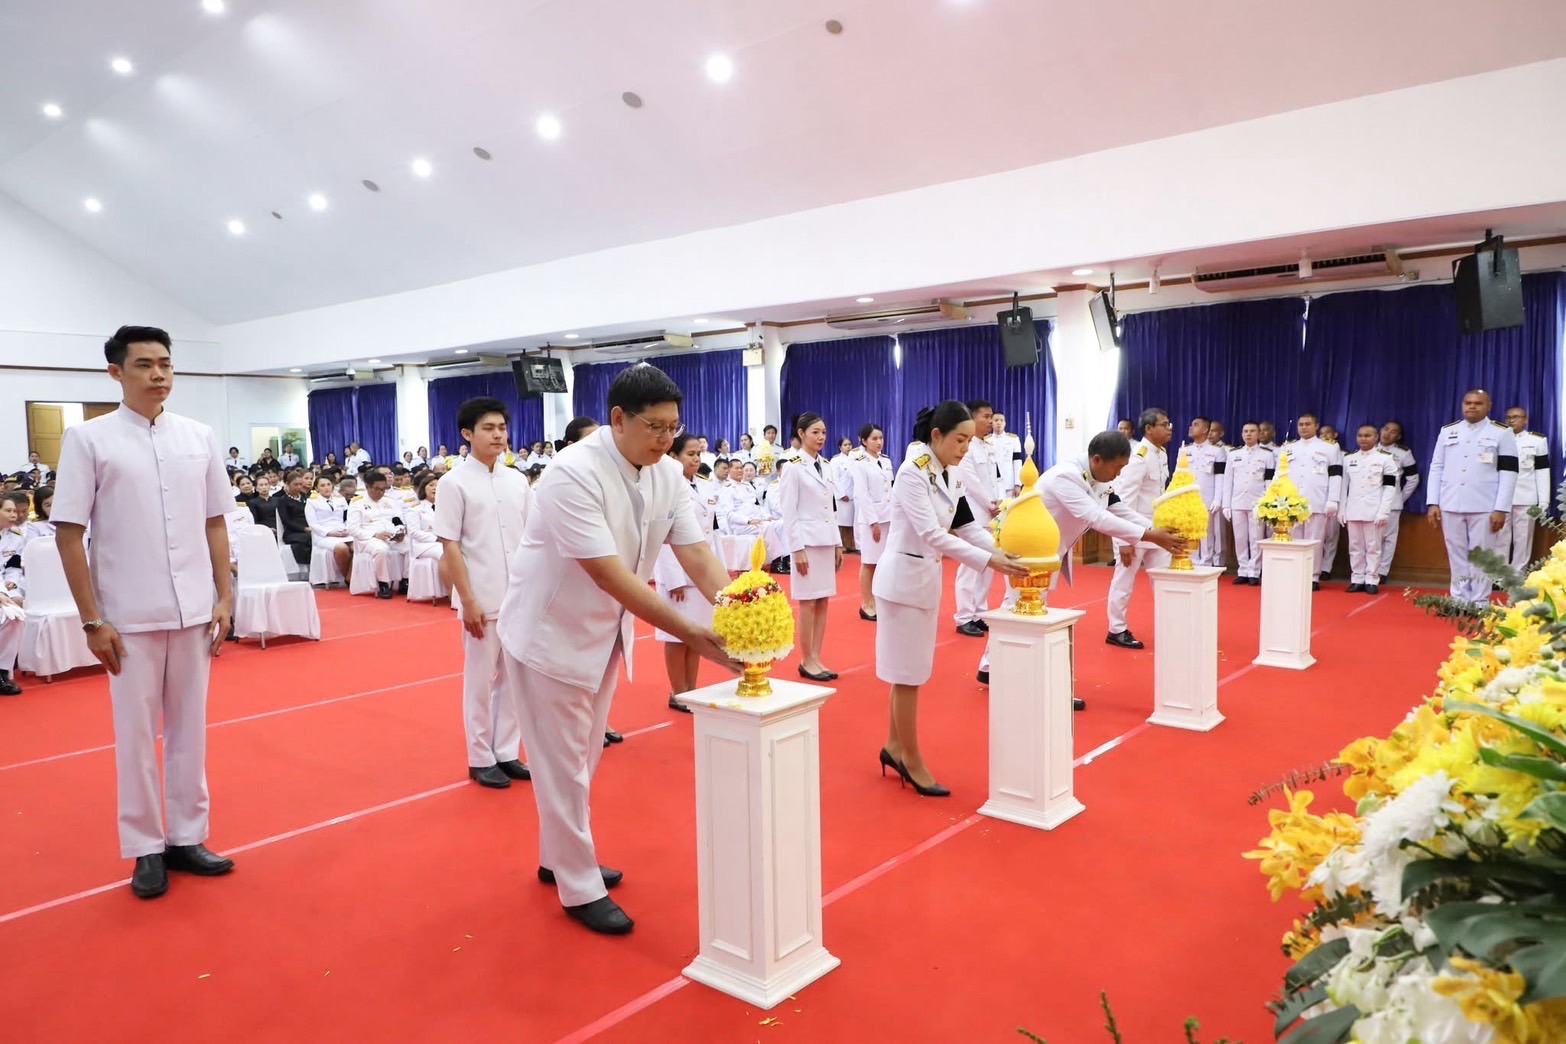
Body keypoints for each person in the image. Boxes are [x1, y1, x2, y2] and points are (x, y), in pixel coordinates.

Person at [495, 364, 737, 935]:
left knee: (583, 758)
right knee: (562, 765)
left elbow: (697, 554)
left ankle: (561, 855)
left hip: (604, 633)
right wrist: (694, 633)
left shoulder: (668, 475)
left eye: (673, 428)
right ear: (618, 419)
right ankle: (578, 884)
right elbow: (607, 573)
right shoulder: (570, 473)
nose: (664, 440)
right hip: (549, 633)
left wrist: (742, 607)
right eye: (654, 427)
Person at [51, 325, 237, 899]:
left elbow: (214, 521)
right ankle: (144, 848)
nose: (158, 375)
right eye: (144, 365)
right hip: (126, 615)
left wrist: (224, 595)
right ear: (116, 372)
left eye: (165, 364)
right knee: (134, 736)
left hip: (193, 610)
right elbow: (69, 533)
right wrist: (90, 619)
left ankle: (187, 835)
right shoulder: (89, 440)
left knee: (190, 731)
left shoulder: (199, 436)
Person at [874, 401, 1028, 797]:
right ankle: (910, 757)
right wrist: (990, 561)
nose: (964, 448)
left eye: (969, 441)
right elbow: (932, 534)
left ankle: (893, 746)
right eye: (960, 440)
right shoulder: (912, 472)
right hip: (902, 583)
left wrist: (1000, 548)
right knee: (908, 677)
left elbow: (964, 525)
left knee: (910, 672)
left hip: (922, 582)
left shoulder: (949, 472)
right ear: (937, 435)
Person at [1031, 431, 1188, 705]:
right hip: (1030, 549)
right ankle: (1021, 677)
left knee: (1023, 613)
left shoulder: (1097, 475)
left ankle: (991, 667)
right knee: (1024, 613)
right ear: (1097, 459)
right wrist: (1149, 536)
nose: (1118, 475)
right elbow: (1096, 517)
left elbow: (1117, 508)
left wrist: (1151, 529)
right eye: (1116, 468)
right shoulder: (1066, 476)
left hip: (1049, 549)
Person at [435, 397, 533, 789]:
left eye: (502, 428)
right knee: (479, 681)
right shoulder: (453, 482)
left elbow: (530, 540)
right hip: (481, 595)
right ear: (467, 434)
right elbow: (451, 545)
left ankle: (506, 750)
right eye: (489, 428)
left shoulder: (517, 479)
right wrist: (467, 598)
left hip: (519, 596)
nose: (498, 435)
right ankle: (479, 756)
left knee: (514, 680)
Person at [1427, 389, 1519, 605]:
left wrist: (1501, 508)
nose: (1472, 406)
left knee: (1482, 555)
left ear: (1489, 406)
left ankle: (1479, 601)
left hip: (1485, 504)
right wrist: (1433, 502)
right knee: (1456, 554)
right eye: (1468, 402)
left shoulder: (1501, 432)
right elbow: (1436, 467)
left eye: (1478, 403)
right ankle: (1459, 600)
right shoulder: (1448, 431)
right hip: (1451, 502)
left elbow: (1509, 472)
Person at [653, 433, 722, 715]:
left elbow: (712, 533)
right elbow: (662, 538)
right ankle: (677, 690)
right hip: (678, 575)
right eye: (689, 454)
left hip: (701, 574)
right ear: (673, 457)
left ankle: (692, 688)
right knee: (675, 636)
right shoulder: (667, 489)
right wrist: (673, 578)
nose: (695, 459)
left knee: (698, 636)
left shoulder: (703, 486)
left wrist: (720, 571)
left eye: (698, 454)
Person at [778, 412, 842, 680]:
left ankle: (817, 656)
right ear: (801, 434)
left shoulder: (825, 465)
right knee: (807, 602)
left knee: (823, 600)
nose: (821, 437)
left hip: (826, 540)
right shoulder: (792, 465)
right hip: (806, 542)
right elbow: (788, 511)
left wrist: (838, 543)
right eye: (815, 432)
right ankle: (806, 659)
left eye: (824, 432)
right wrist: (797, 549)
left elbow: (831, 507)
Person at [1106, 407, 1174, 649]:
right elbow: (1123, 499)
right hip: (1135, 532)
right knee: (1124, 581)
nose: (1169, 429)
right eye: (1164, 424)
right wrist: (1124, 540)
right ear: (1148, 428)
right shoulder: (1139, 456)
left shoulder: (1161, 453)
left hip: (1157, 530)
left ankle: (1170, 626)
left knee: (1165, 579)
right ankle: (1116, 629)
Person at [954, 399, 1004, 637]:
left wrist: (1001, 503)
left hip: (993, 515)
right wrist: (989, 503)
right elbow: (969, 479)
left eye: (991, 416)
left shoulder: (989, 446)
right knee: (970, 566)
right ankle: (964, 616)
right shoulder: (967, 446)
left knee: (988, 566)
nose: (989, 421)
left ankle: (979, 613)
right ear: (972, 418)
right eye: (985, 416)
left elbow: (998, 478)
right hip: (974, 513)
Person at [1280, 412, 1343, 590]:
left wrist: (1333, 499)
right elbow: (1280, 475)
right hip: (1291, 503)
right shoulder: (1288, 447)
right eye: (1301, 424)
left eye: (1308, 424)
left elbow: (1336, 475)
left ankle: (1313, 576)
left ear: (1316, 426)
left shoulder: (1330, 448)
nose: (1304, 427)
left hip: (1317, 500)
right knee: (1294, 540)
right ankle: (1295, 574)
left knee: (1315, 540)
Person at [1338, 424, 1399, 594]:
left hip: (1374, 509)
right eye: (1360, 435)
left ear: (1376, 437)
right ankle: (1357, 578)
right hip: (1353, 509)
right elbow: (1343, 487)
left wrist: (1384, 511)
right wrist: (1341, 510)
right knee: (1355, 546)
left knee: (1373, 546)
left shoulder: (1385, 459)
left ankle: (1372, 579)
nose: (1363, 439)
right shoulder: (1349, 459)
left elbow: (1389, 488)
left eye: (1367, 435)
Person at [1220, 422, 1275, 585]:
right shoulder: (1233, 454)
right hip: (1237, 502)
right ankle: (1243, 569)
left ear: (1258, 434)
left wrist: (1267, 504)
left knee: (1256, 538)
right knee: (1240, 538)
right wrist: (1226, 504)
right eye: (1245, 431)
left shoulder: (1267, 454)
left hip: (1257, 502)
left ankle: (1255, 571)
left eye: (1252, 431)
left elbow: (1270, 482)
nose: (1248, 434)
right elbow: (1227, 481)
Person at [851, 423, 893, 620]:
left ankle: (880, 600)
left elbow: (890, 491)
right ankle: (866, 603)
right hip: (871, 519)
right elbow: (862, 494)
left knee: (884, 562)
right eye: (874, 439)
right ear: (864, 440)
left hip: (888, 517)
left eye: (881, 438)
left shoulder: (885, 461)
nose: (879, 442)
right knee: (869, 562)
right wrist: (873, 522)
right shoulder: (859, 462)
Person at [1503, 405, 1551, 572]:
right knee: (1500, 537)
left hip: (1526, 497)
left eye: (1516, 417)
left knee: (1523, 538)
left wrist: (1544, 499)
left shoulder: (1536, 441)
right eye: (1508, 417)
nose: (1511, 420)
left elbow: (1542, 471)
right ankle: (1499, 576)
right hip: (1501, 497)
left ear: (1525, 419)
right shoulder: (1497, 439)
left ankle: (1517, 574)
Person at [348, 473, 408, 598]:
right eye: (377, 489)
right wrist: (374, 535)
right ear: (367, 487)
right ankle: (383, 583)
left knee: (409, 545)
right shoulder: (357, 503)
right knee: (382, 549)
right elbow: (352, 529)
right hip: (368, 538)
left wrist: (400, 531)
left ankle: (405, 580)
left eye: (383, 489)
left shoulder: (389, 500)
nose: (381, 492)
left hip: (389, 535)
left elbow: (397, 520)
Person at [1178, 416, 1227, 568]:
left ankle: (1206, 562)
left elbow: (1220, 477)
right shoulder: (1185, 450)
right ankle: (1192, 560)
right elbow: (1178, 475)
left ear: (1205, 429)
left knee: (1207, 534)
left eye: (1195, 425)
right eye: (1191, 424)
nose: (1190, 427)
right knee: (1190, 531)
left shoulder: (1217, 451)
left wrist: (1218, 499)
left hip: (1207, 497)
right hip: (1188, 498)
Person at [1377, 420, 1419, 584]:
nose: (1387, 433)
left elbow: (1413, 479)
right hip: (1370, 501)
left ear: (1398, 436)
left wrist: (1400, 498)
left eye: (1393, 431)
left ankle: (1382, 572)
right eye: (1386, 428)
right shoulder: (1370, 449)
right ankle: (1368, 571)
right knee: (1371, 539)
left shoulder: (1403, 453)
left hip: (1392, 503)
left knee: (1388, 538)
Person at [305, 475, 352, 584]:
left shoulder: (340, 499)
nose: (326, 488)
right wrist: (330, 533)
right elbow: (313, 524)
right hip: (323, 536)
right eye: (322, 485)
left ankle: (351, 575)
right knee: (342, 548)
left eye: (328, 485)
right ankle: (348, 577)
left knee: (358, 546)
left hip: (342, 531)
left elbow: (348, 517)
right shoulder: (311, 502)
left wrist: (346, 529)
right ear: (316, 488)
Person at [275, 468, 313, 565]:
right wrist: (304, 528)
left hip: (309, 528)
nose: (299, 487)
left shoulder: (305, 497)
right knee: (309, 539)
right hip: (292, 532)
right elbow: (286, 521)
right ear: (287, 484)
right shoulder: (283, 500)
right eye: (295, 485)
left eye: (300, 484)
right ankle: (310, 565)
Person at [830, 436, 857, 553]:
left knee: (853, 521)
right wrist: (841, 494)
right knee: (843, 521)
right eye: (845, 445)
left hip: (854, 494)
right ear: (840, 447)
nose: (848, 447)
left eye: (850, 444)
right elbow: (834, 479)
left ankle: (852, 543)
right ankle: (843, 544)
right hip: (843, 496)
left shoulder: (855, 459)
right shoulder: (835, 460)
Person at [992, 411, 1023, 496]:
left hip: (1009, 484)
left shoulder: (1013, 439)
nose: (999, 423)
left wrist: (1018, 484)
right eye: (996, 420)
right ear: (992, 422)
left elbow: (1017, 462)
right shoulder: (986, 440)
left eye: (1001, 420)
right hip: (992, 485)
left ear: (1005, 423)